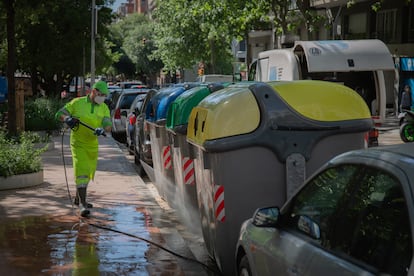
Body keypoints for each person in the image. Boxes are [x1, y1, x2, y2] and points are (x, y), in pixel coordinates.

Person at [55, 80, 112, 217]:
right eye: (101, 94)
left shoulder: (103, 107)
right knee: (81, 171)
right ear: (93, 91)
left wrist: (102, 128)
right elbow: (59, 114)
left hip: (92, 145)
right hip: (78, 143)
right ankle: (82, 204)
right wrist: (67, 119)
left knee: (87, 172)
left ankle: (77, 198)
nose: (103, 97)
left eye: (105, 95)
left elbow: (108, 124)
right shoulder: (77, 103)